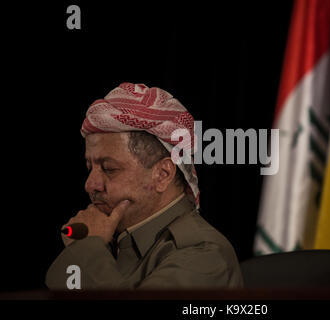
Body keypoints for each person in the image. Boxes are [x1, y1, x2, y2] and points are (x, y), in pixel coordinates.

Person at [45, 83, 243, 289]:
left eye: (109, 168)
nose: (90, 185)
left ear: (162, 175)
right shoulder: (108, 239)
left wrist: (86, 248)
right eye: (89, 167)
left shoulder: (204, 255)